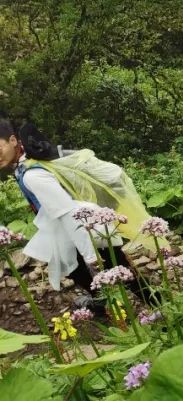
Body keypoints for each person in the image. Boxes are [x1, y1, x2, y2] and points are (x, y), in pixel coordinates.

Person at [0, 120, 154, 309]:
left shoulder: (32, 174)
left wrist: (90, 254)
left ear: (13, 140)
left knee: (117, 266)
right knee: (72, 265)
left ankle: (159, 308)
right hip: (69, 223)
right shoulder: (28, 160)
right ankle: (104, 300)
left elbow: (69, 214)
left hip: (83, 224)